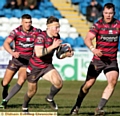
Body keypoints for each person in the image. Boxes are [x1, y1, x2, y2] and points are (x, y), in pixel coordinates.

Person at [70, 3, 120, 116]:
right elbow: (88, 39)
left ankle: (99, 108)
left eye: (110, 13)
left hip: (111, 60)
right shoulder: (98, 25)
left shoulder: (118, 24)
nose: (108, 15)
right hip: (98, 60)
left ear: (114, 13)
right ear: (103, 13)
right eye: (106, 13)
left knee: (113, 81)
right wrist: (93, 49)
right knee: (88, 85)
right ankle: (77, 106)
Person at [22, 16, 74, 112]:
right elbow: (38, 53)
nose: (58, 29)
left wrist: (66, 55)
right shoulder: (41, 37)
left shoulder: (56, 37)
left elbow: (58, 55)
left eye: (59, 27)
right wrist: (52, 46)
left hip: (47, 66)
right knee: (32, 91)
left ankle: (49, 98)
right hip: (34, 67)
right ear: (48, 27)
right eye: (56, 27)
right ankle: (24, 107)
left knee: (59, 83)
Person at [0, 14, 42, 109]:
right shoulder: (16, 32)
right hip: (16, 59)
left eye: (30, 22)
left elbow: (45, 38)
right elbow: (6, 43)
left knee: (21, 80)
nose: (28, 24)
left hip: (27, 62)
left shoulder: (36, 31)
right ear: (22, 22)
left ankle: (5, 101)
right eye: (26, 22)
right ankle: (6, 88)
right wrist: (12, 52)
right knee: (5, 83)